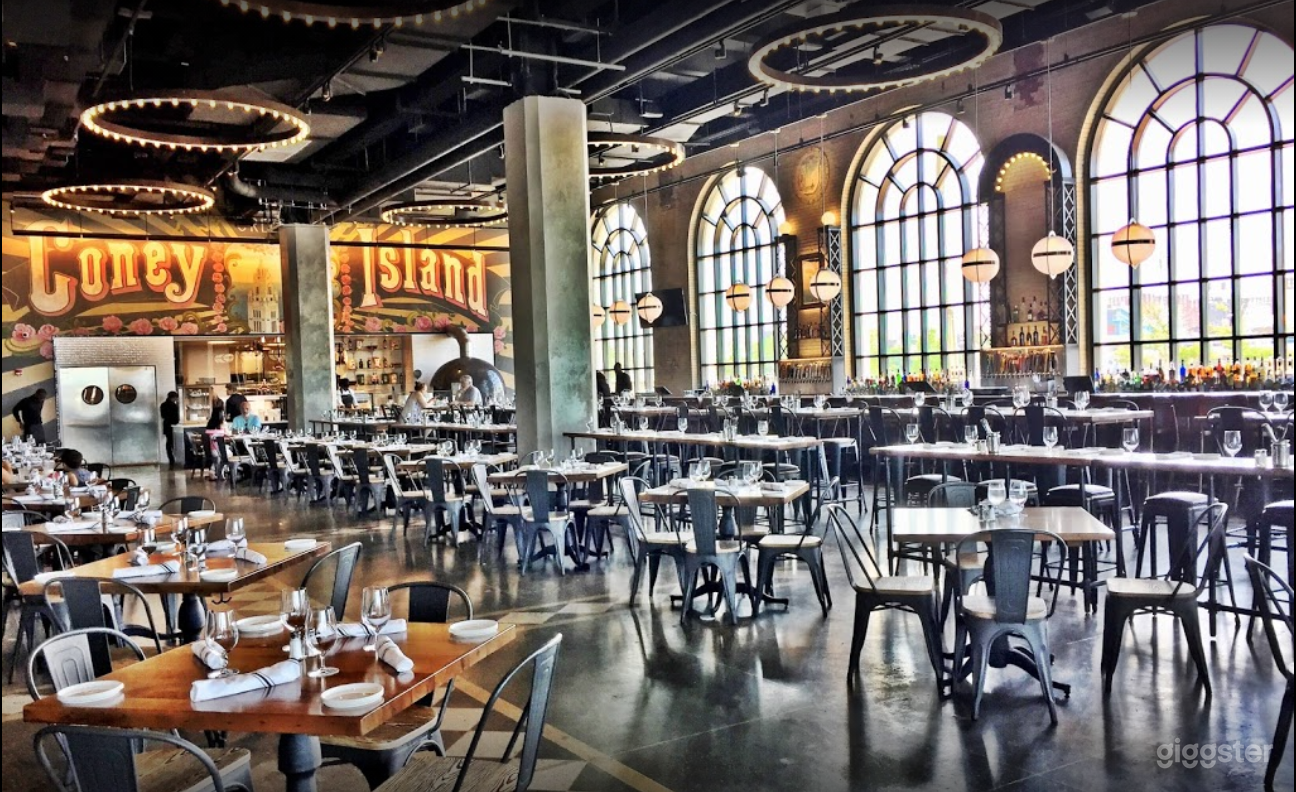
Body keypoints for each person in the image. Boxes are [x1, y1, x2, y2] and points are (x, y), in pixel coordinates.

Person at [160, 391, 181, 466]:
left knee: (168, 443)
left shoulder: (162, 405)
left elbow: (163, 416)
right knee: (174, 443)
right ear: (173, 398)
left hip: (166, 425)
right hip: (173, 426)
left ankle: (171, 459)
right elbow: (176, 418)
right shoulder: (174, 406)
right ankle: (176, 458)